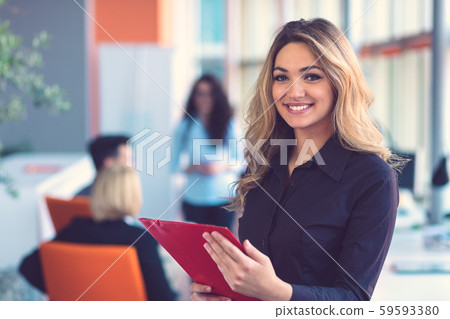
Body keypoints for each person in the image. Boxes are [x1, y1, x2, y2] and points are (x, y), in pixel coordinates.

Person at [190, 18, 400, 301]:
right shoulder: (263, 163)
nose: (293, 91)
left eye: (311, 76)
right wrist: (224, 295)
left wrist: (278, 293)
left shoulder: (371, 178)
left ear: (339, 82)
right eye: (281, 77)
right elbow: (250, 274)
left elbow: (354, 300)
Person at [20, 165, 176, 301]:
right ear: (134, 196)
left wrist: (65, 294)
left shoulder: (75, 228)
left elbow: (27, 267)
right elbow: (163, 299)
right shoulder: (141, 240)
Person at [171, 74, 242, 229]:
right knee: (196, 248)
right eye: (200, 94)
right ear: (194, 97)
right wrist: (195, 168)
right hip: (193, 198)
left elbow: (242, 161)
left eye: (209, 94)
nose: (205, 99)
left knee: (222, 247)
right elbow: (173, 165)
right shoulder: (185, 125)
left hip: (225, 198)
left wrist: (221, 167)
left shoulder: (229, 123)